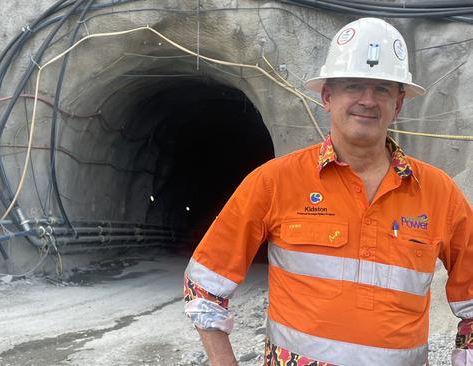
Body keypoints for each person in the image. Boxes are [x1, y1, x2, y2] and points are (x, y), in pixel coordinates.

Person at [183, 17, 473, 366]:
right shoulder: (275, 181)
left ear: (398, 104)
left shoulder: (438, 193)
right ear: (327, 96)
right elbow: (203, 285)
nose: (367, 100)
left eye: (382, 89)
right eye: (353, 85)